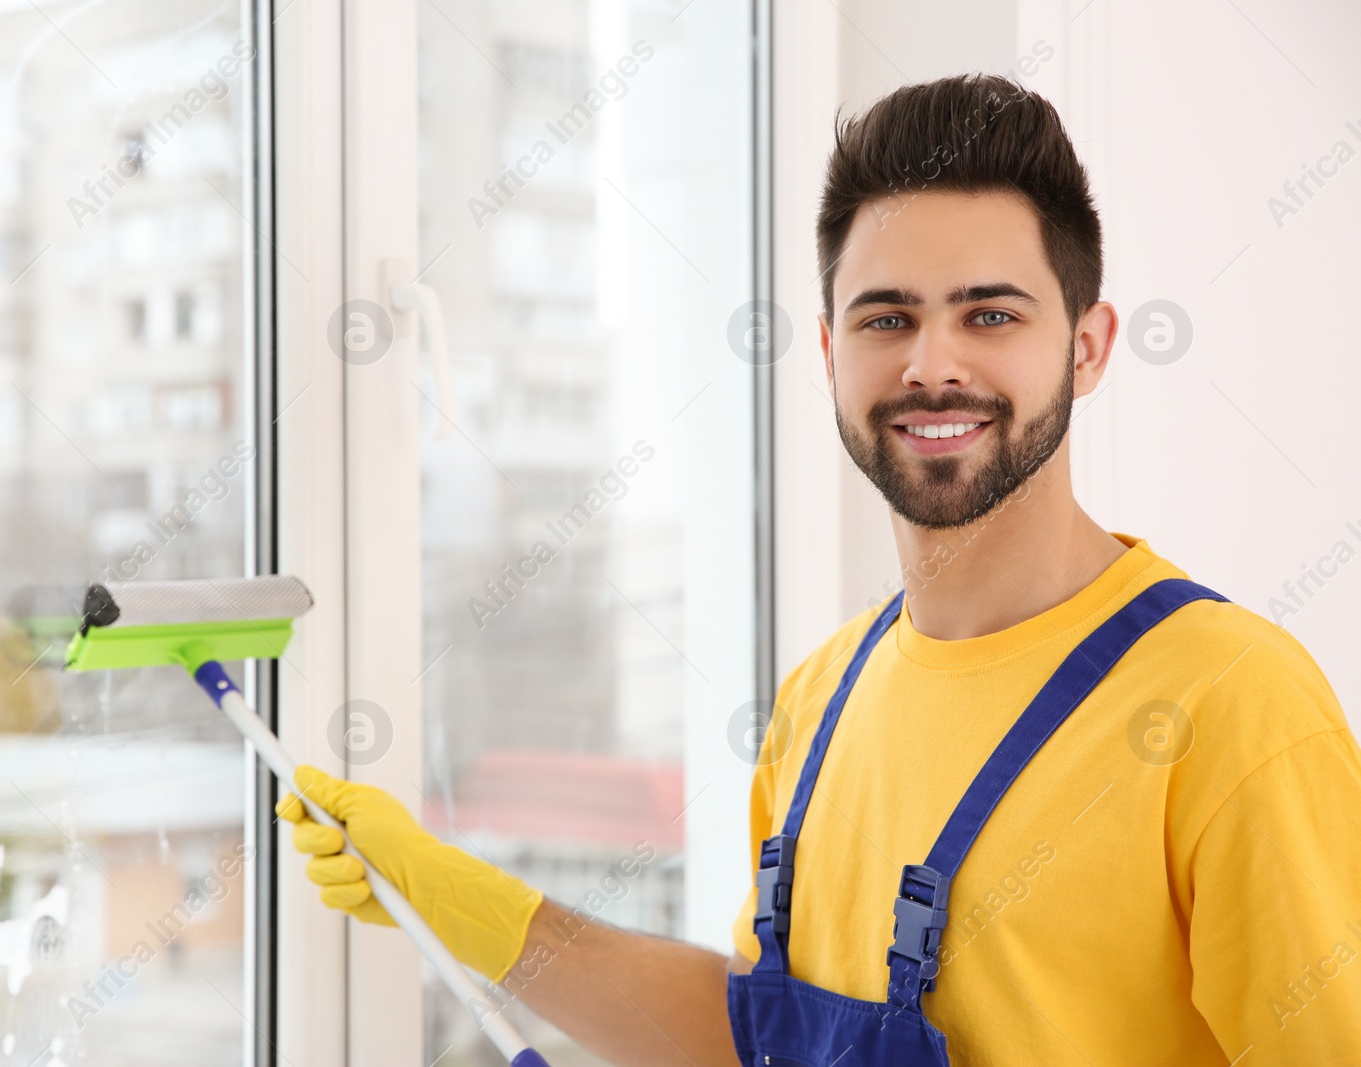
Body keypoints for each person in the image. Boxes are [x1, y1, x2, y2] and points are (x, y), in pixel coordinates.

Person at [276, 73, 1361, 1065]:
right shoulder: (820, 700)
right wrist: (484, 914)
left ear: (1086, 344)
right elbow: (751, 1029)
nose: (932, 363)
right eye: (887, 318)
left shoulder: (1231, 708)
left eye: (990, 313)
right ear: (832, 353)